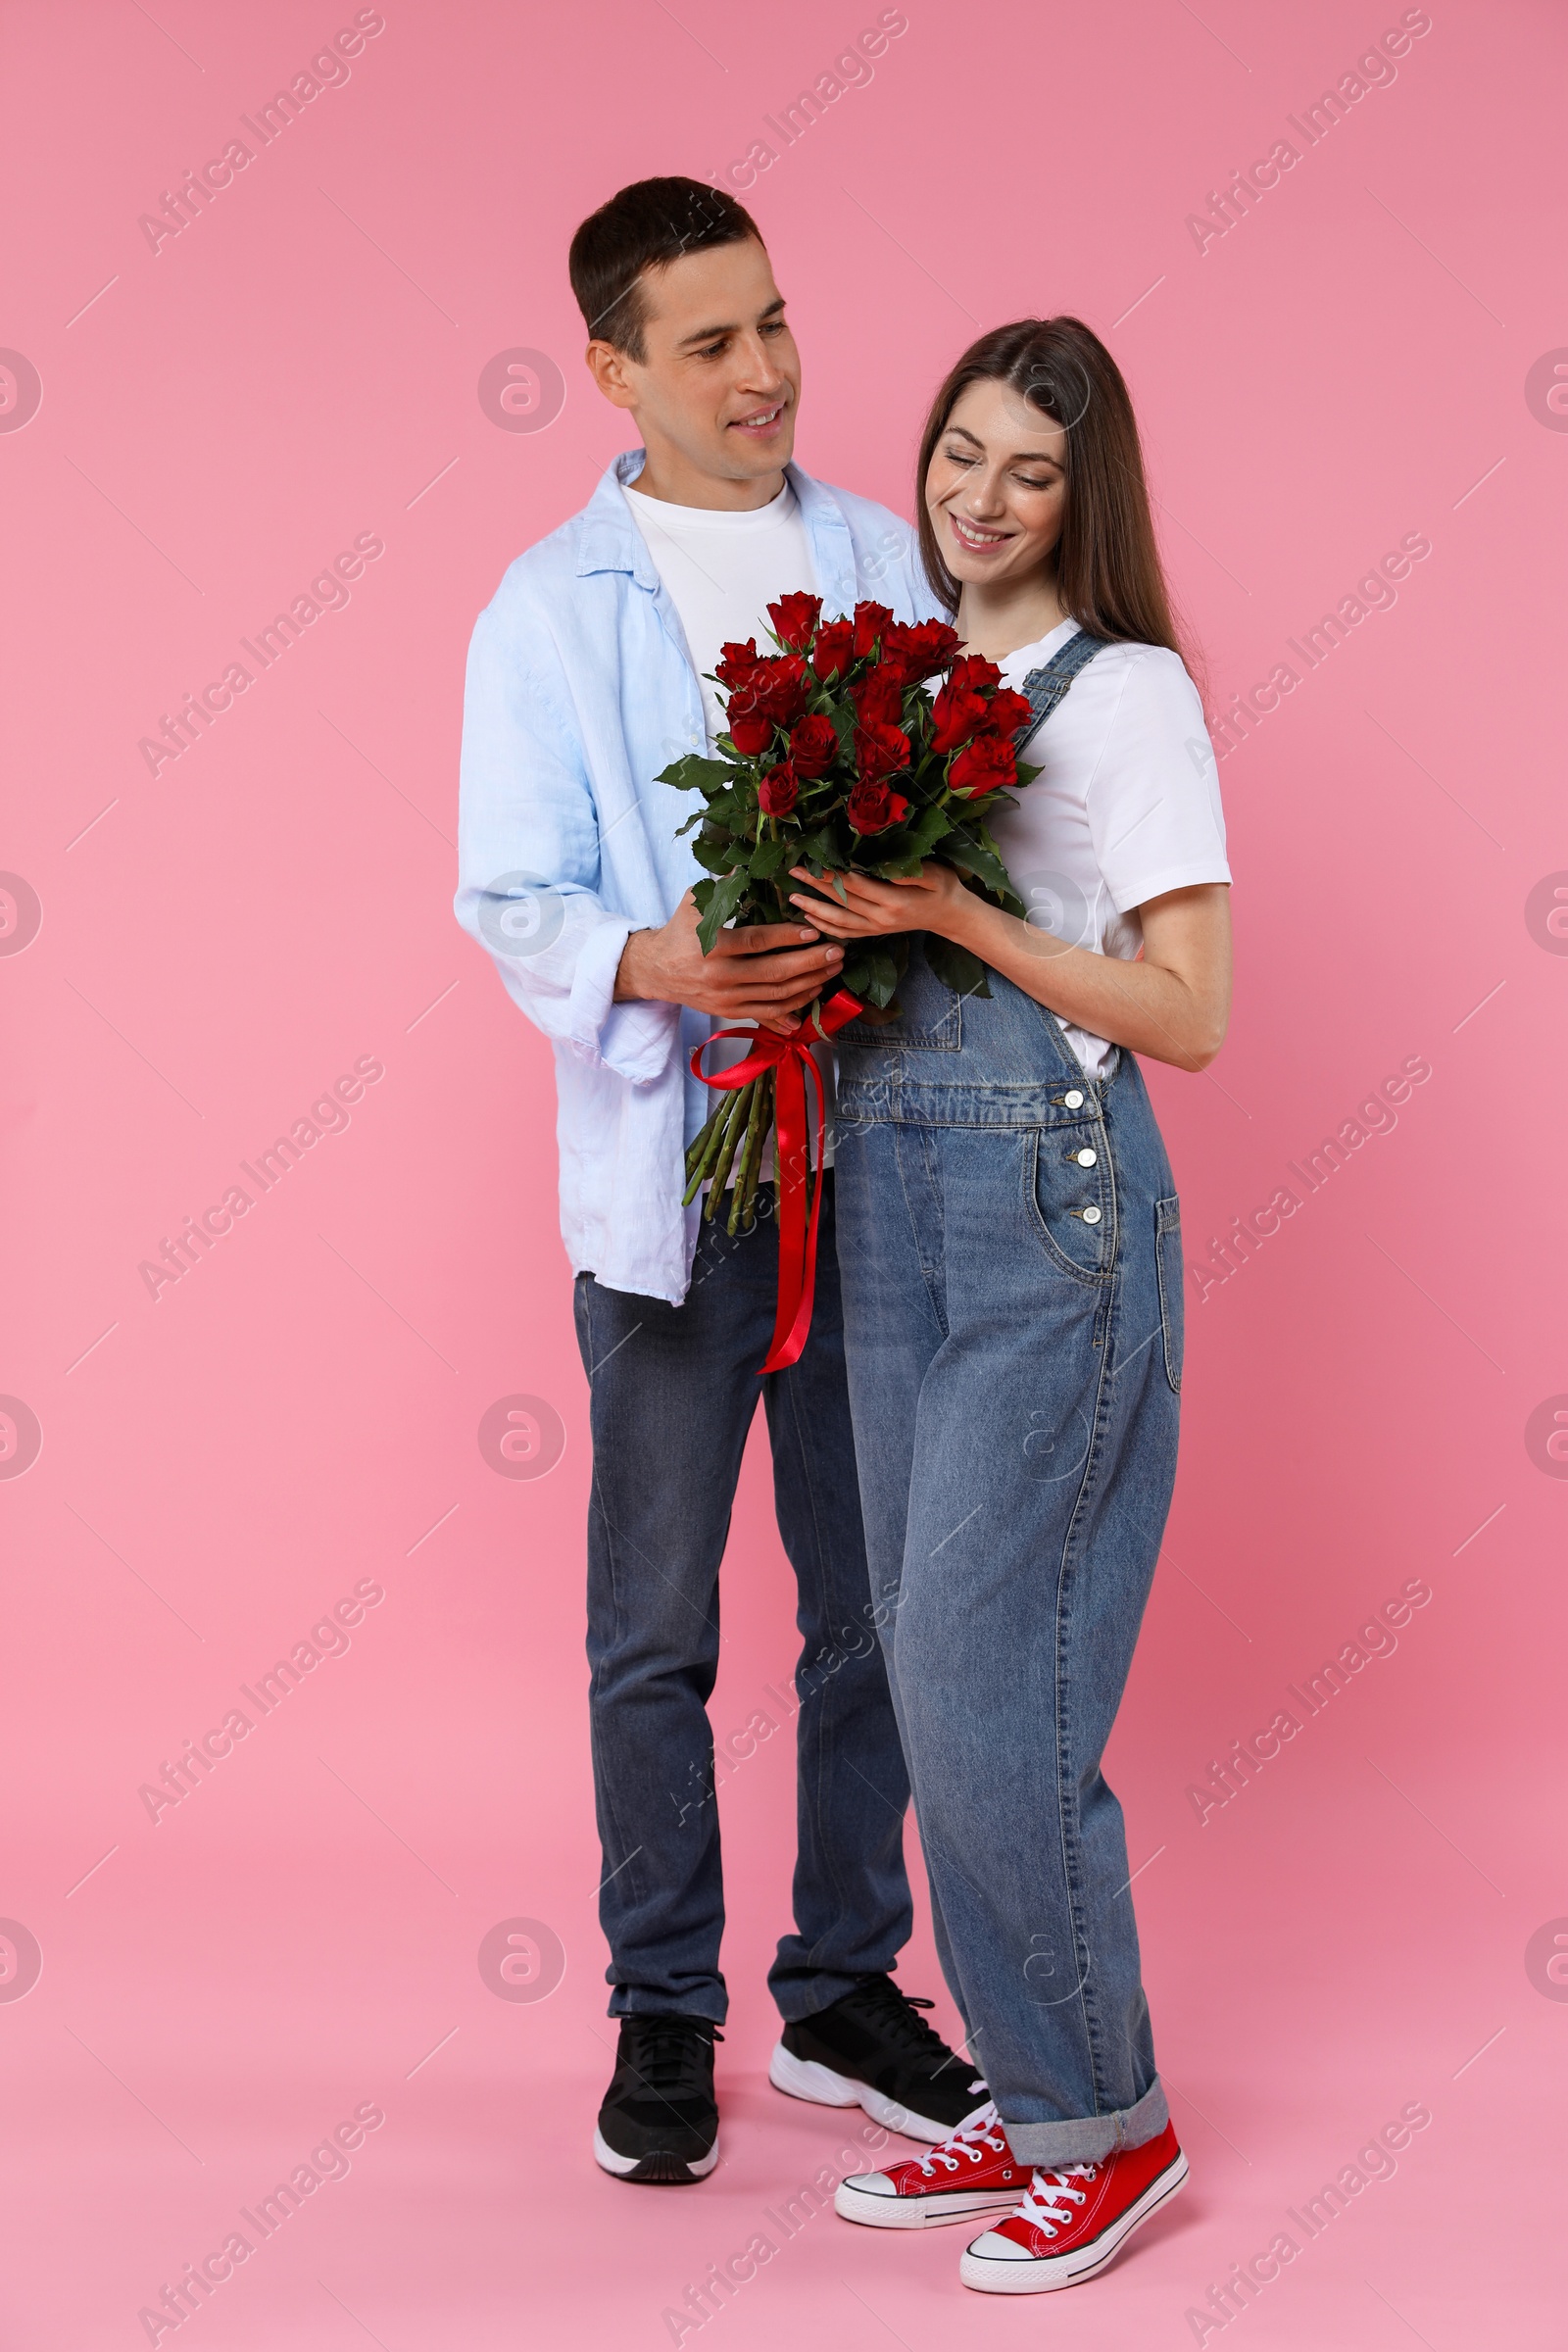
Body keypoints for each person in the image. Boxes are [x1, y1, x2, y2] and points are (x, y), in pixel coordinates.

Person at [455, 177, 982, 2186]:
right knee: (651, 1625)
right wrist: (665, 961)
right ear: (611, 369)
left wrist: (883, 921)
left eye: (773, 323)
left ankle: (846, 1979)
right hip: (677, 1184)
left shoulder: (876, 559)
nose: (762, 371)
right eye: (708, 342)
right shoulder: (543, 605)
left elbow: (964, 827)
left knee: (876, 1612)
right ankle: (660, 2008)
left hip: (874, 1171)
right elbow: (506, 890)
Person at [787, 317, 1233, 2289]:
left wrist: (950, 912)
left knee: (991, 1687)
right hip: (889, 1193)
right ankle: (1035, 2102)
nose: (975, 498)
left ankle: (1101, 2134)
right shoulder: (903, 672)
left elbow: (1191, 1015)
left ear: (1083, 496)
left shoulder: (1120, 692)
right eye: (956, 453)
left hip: (1046, 1204)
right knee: (913, 1660)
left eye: (1025, 472)